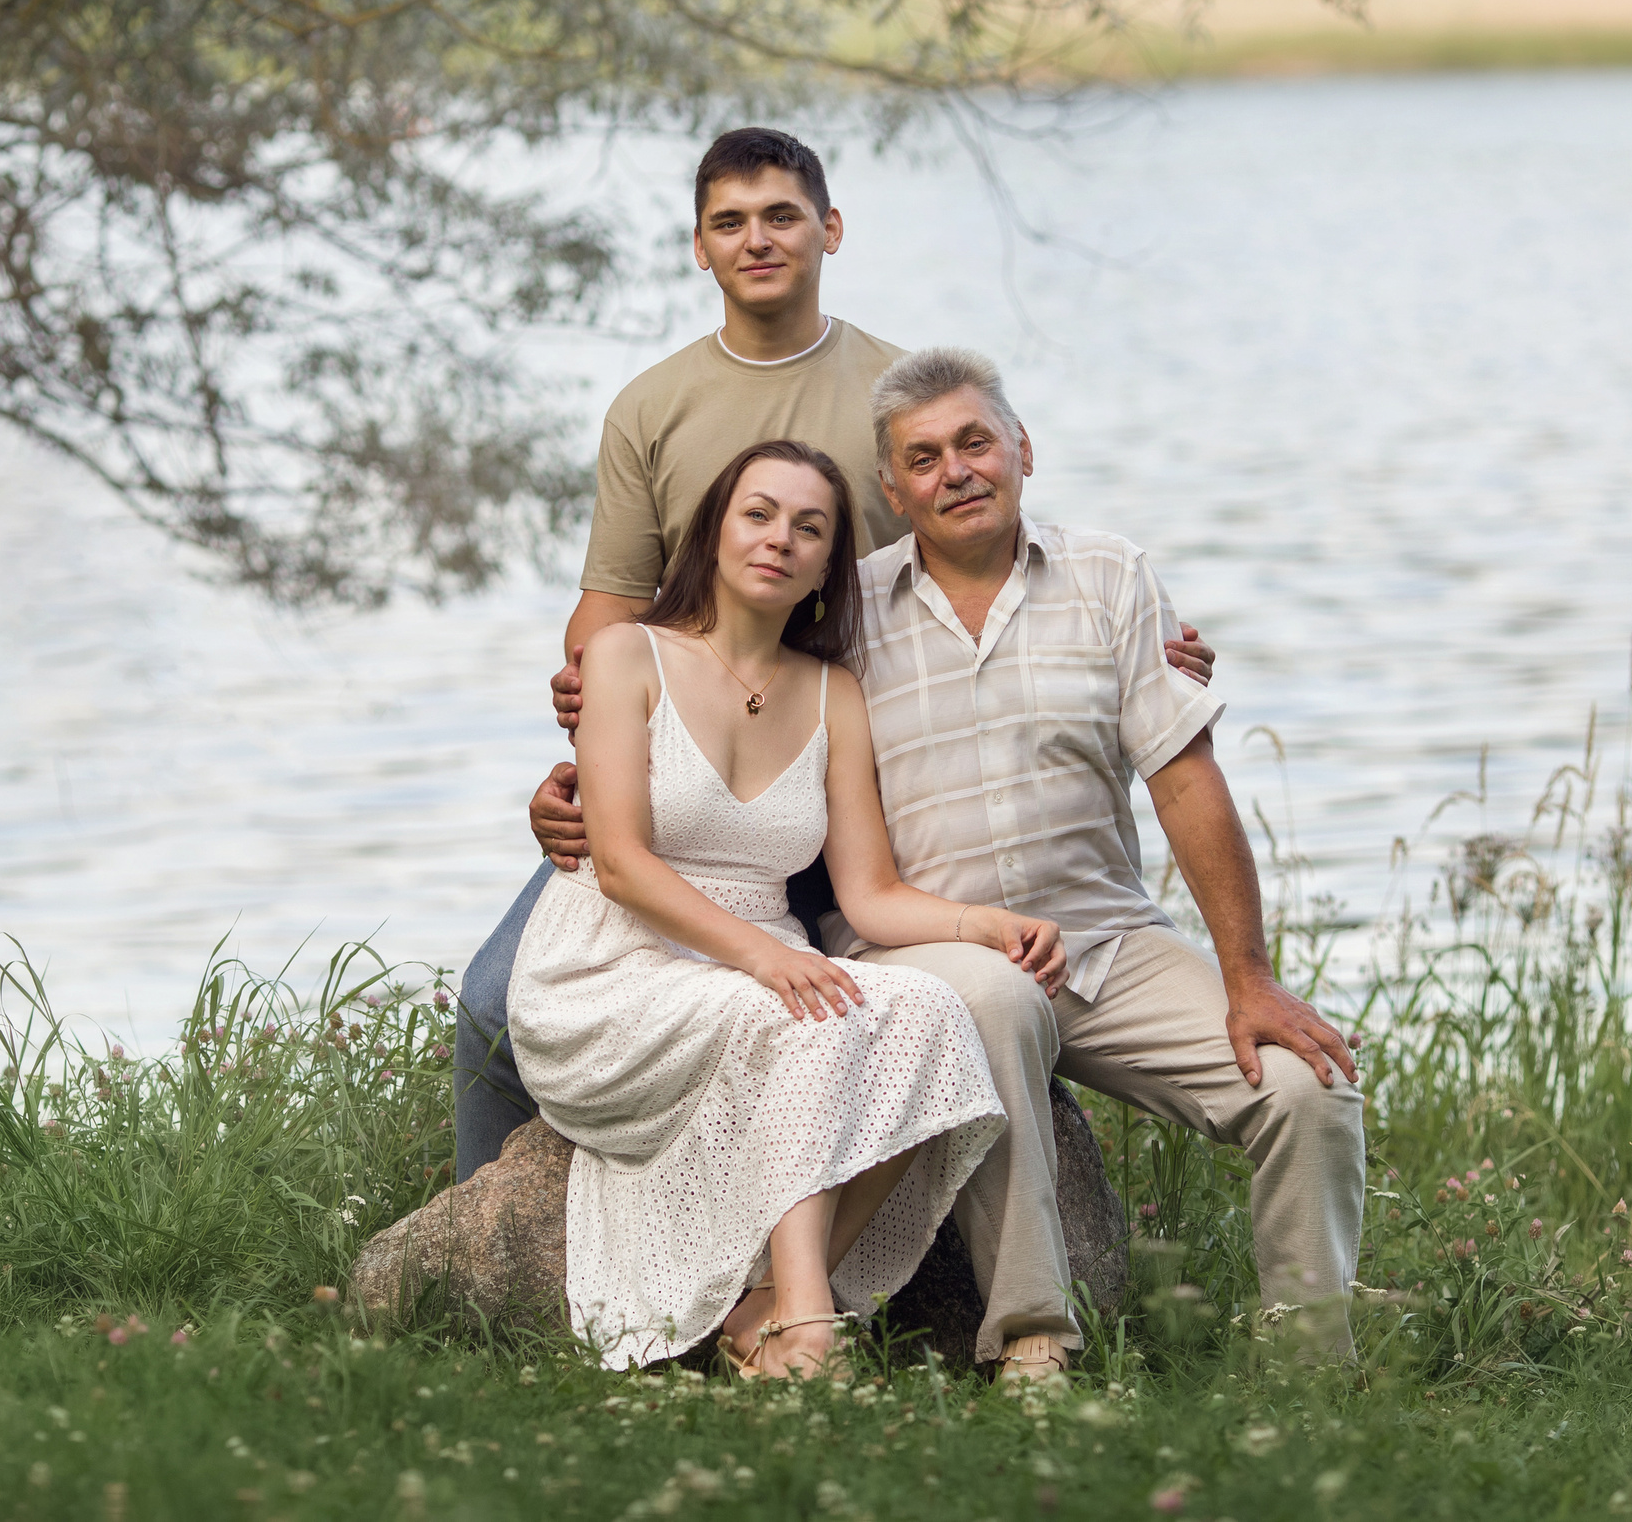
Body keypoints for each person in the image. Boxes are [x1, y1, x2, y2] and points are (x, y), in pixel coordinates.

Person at [455, 126, 1215, 1183]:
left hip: (855, 764)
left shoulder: (884, 392)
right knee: (492, 1005)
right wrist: (589, 753)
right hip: (685, 778)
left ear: (830, 229)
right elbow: (607, 609)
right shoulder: (649, 407)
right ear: (698, 247)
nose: (757, 240)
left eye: (781, 215)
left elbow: (976, 532)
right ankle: (494, 1253)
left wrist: (1135, 639)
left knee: (867, 1005)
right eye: (730, 221)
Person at [839, 346, 1368, 1370]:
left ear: (1022, 451)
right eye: (925, 456)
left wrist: (1248, 978)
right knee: (990, 1000)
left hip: (1106, 943)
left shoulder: (1109, 576)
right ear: (892, 489)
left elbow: (1182, 780)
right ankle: (1035, 1344)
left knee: (1309, 1089)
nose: (956, 470)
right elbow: (727, 686)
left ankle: (1311, 1375)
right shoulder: (847, 614)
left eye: (975, 442)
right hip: (938, 955)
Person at [507, 438, 1063, 1377]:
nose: (781, 539)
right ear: (715, 531)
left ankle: (763, 1310)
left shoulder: (832, 691)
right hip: (609, 967)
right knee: (805, 1016)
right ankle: (809, 1332)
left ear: (825, 565)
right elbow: (623, 861)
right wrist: (763, 960)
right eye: (759, 513)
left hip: (761, 958)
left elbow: (871, 896)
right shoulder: (625, 654)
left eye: (810, 528)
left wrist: (983, 927)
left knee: (930, 1011)